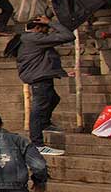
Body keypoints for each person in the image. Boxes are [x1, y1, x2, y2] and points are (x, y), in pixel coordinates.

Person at [17, 14, 74, 155]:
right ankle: (37, 144)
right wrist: (50, 22)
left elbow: (43, 59)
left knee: (54, 98)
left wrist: (63, 72)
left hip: (41, 75)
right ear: (37, 28)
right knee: (38, 110)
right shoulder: (34, 38)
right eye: (45, 29)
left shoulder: (29, 38)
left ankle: (45, 123)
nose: (47, 32)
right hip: (39, 78)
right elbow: (68, 36)